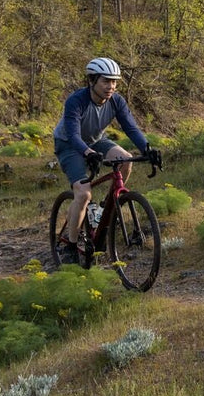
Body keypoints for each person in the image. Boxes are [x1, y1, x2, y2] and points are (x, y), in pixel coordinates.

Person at [51, 57, 159, 263]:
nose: (111, 86)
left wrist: (147, 149)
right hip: (69, 144)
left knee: (126, 159)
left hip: (97, 140)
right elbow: (73, 135)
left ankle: (104, 208)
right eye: (106, 81)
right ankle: (71, 246)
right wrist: (87, 153)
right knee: (83, 194)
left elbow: (131, 128)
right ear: (92, 81)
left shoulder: (116, 101)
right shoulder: (76, 101)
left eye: (114, 82)